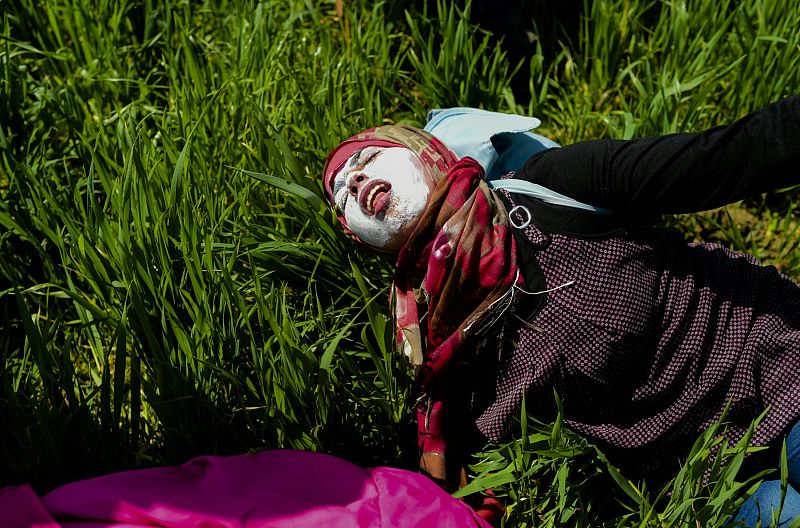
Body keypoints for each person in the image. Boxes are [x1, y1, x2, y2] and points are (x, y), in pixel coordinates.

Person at [322, 96, 800, 526]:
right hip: (714, 476)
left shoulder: (548, 188)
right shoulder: (427, 343)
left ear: (423, 151)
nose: (358, 179)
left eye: (367, 158)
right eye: (343, 194)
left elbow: (720, 160)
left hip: (771, 358)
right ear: (355, 235)